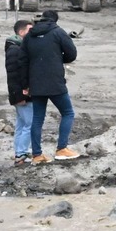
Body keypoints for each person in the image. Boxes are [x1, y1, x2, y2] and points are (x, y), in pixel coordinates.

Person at [24, 9, 79, 163]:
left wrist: (26, 83)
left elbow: (23, 59)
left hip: (35, 82)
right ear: (55, 20)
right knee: (67, 112)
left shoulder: (30, 35)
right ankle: (62, 148)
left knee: (37, 119)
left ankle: (37, 155)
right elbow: (72, 53)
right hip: (55, 81)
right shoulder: (58, 32)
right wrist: (59, 58)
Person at [5, 17, 34, 164]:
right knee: (30, 124)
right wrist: (22, 92)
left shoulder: (14, 48)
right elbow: (16, 75)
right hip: (22, 94)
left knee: (21, 124)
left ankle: (19, 152)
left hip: (18, 94)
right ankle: (21, 154)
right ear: (21, 32)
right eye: (30, 30)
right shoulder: (17, 50)